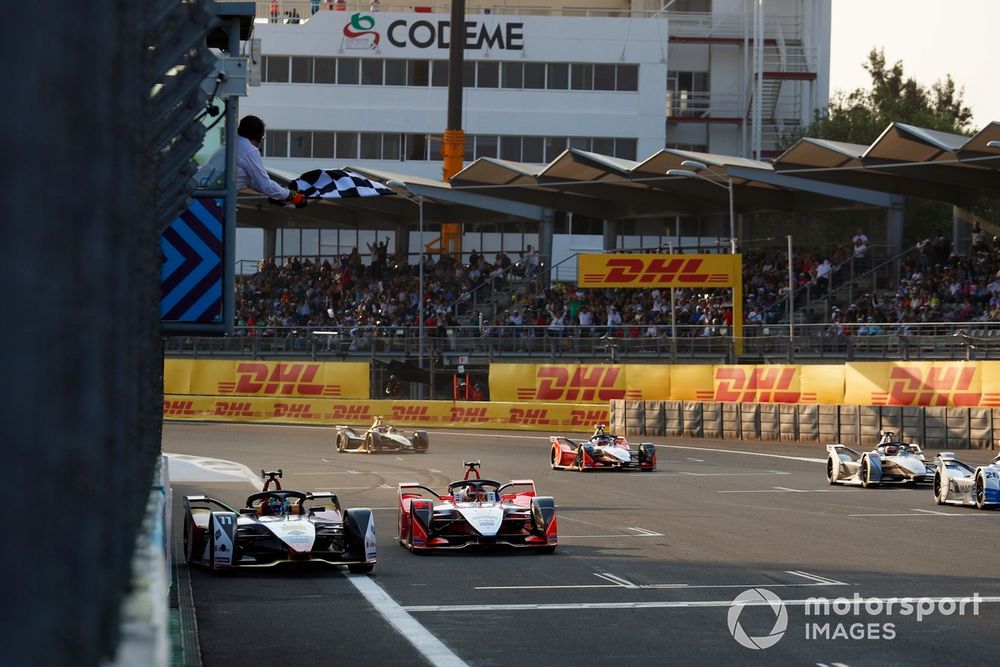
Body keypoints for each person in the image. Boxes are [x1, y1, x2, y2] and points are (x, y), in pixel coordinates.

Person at [197, 115, 307, 208]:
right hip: (209, 200)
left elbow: (251, 181)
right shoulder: (248, 150)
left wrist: (280, 193)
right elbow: (265, 184)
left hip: (201, 193)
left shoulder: (232, 144)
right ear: (259, 136)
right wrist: (292, 196)